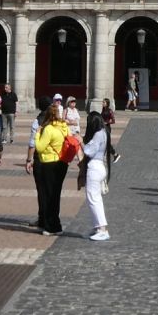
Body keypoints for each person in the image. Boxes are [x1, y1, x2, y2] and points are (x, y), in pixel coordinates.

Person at [33, 100, 70, 236]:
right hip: (62, 163)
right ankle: (56, 224)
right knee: (55, 194)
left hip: (49, 163)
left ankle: (50, 226)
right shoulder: (64, 126)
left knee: (48, 195)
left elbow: (39, 147)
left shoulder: (48, 129)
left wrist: (37, 134)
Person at [79, 110, 114, 242]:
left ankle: (102, 229)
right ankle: (97, 228)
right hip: (99, 167)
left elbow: (89, 151)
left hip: (95, 167)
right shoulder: (104, 132)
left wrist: (80, 142)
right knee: (94, 198)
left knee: (93, 199)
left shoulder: (98, 134)